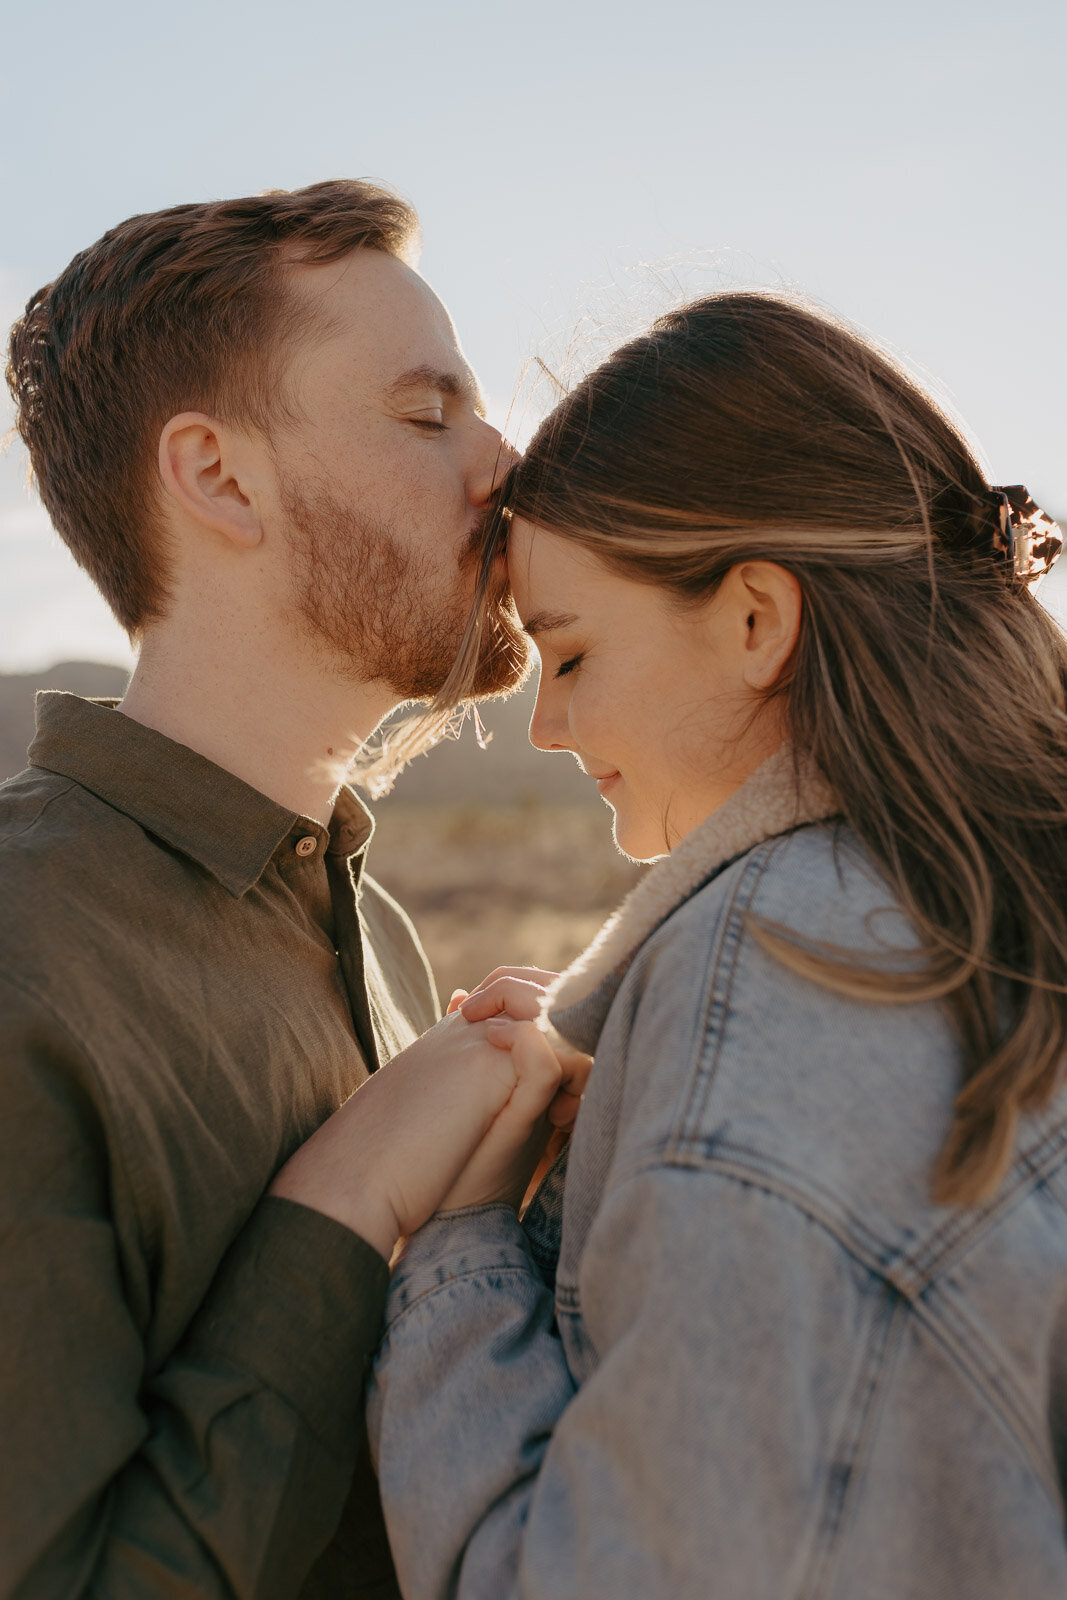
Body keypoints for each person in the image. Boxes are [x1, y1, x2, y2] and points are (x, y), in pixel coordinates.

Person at [362, 293, 1067, 1597]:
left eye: (568, 653)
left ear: (755, 621)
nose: (549, 729)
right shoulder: (994, 923)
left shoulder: (762, 1000)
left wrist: (459, 1239)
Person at [0, 179, 577, 1598]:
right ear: (219, 478)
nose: (503, 462)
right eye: (426, 413)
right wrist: (349, 1201)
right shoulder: (20, 954)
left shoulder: (360, 917)